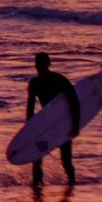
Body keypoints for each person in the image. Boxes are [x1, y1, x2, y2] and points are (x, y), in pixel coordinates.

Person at [25, 51, 84, 187]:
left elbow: (74, 102)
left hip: (63, 122)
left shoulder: (59, 79)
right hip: (45, 123)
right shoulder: (34, 83)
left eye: (42, 64)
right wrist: (30, 128)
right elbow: (30, 107)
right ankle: (37, 188)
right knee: (37, 159)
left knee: (66, 160)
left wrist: (75, 126)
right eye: (37, 64)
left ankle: (72, 185)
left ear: (48, 64)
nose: (39, 66)